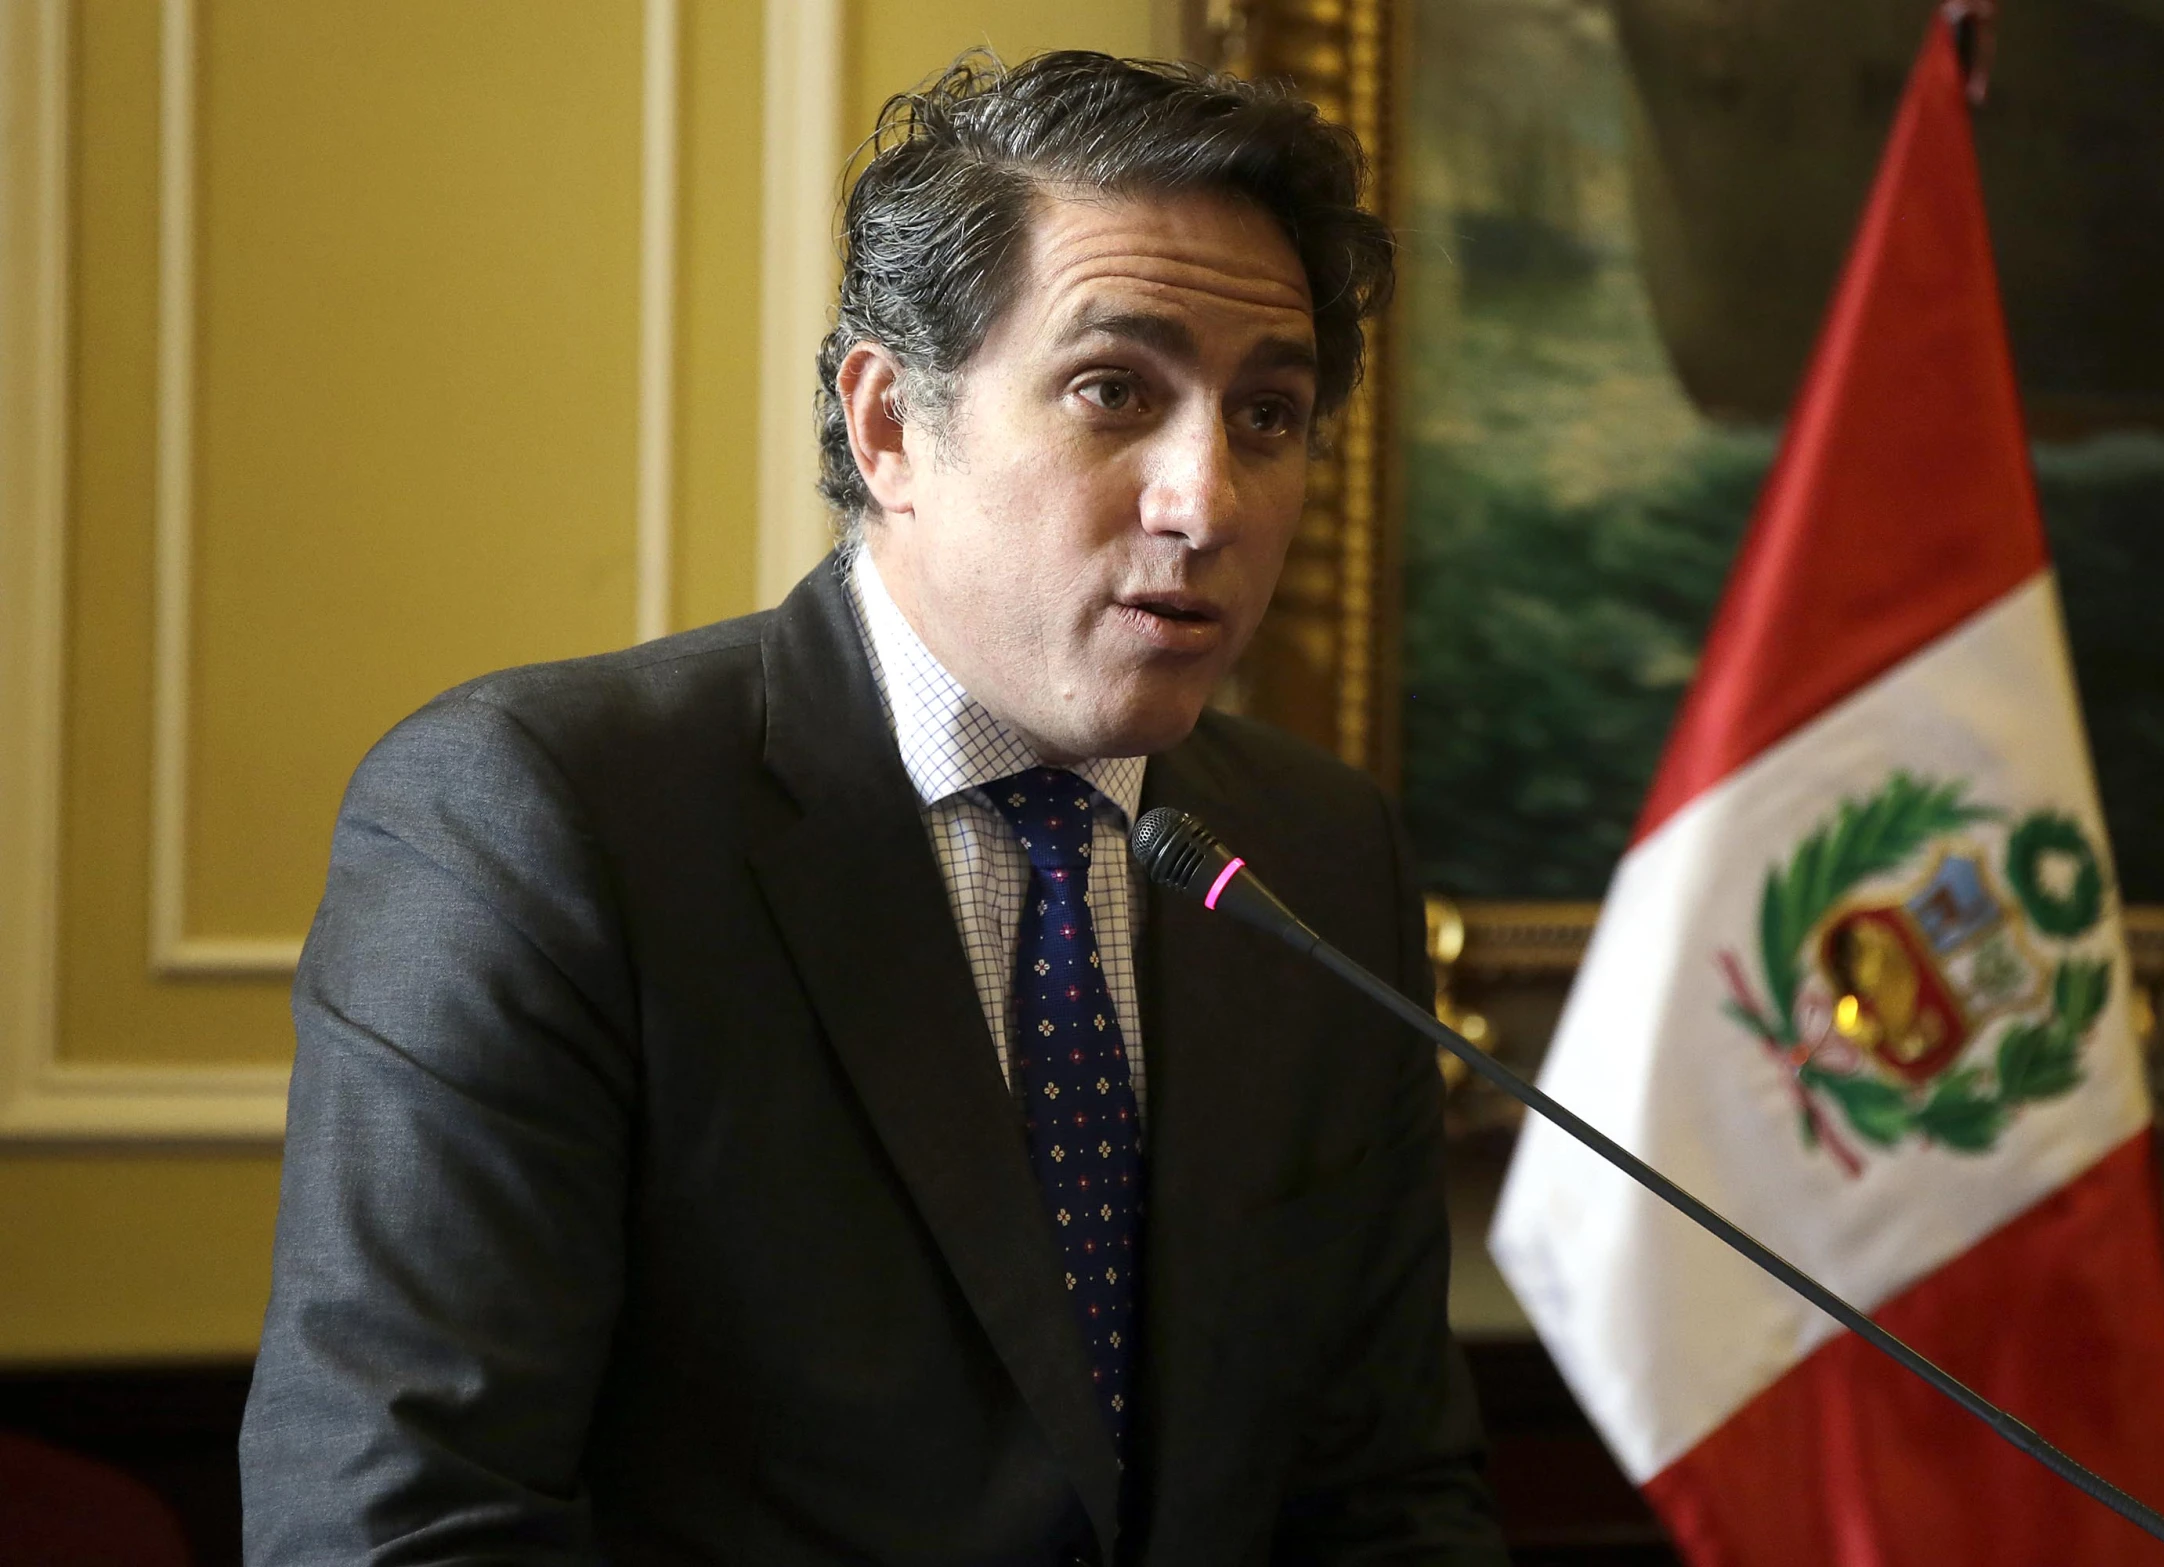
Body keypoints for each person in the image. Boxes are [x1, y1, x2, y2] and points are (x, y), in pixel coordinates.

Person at [240, 51, 1505, 1565]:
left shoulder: (1313, 851)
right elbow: (398, 1522)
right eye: (1116, 389)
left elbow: (1385, 1501)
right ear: (891, 422)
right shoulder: (533, 820)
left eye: (1269, 414)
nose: (1206, 499)